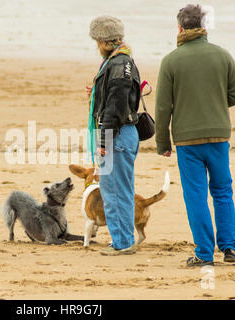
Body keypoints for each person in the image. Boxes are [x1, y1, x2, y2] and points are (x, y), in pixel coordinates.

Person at [155, 4, 235, 267]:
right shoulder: (222, 55)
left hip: (187, 141)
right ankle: (230, 248)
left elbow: (163, 107)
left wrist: (163, 142)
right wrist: (215, 104)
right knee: (222, 191)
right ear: (203, 26)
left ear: (180, 27)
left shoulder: (171, 60)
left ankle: (204, 254)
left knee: (196, 195)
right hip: (218, 136)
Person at [86, 16, 141, 256]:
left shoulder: (117, 64)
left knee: (114, 191)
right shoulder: (122, 60)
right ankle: (123, 238)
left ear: (103, 41)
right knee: (121, 189)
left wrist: (104, 140)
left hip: (116, 135)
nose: (96, 46)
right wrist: (97, 91)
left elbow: (116, 106)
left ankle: (122, 242)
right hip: (124, 133)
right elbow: (117, 96)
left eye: (97, 41)